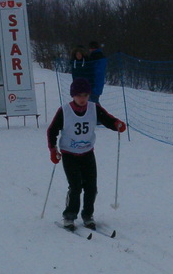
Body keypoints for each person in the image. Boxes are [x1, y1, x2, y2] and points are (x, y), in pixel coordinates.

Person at [46, 77, 126, 230]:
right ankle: (69, 216)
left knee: (91, 187)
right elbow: (52, 130)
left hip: (87, 153)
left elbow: (107, 119)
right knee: (75, 186)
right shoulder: (64, 111)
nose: (82, 99)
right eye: (79, 95)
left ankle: (88, 215)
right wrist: (53, 149)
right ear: (73, 95)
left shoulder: (94, 108)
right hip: (69, 154)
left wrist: (117, 124)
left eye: (85, 95)